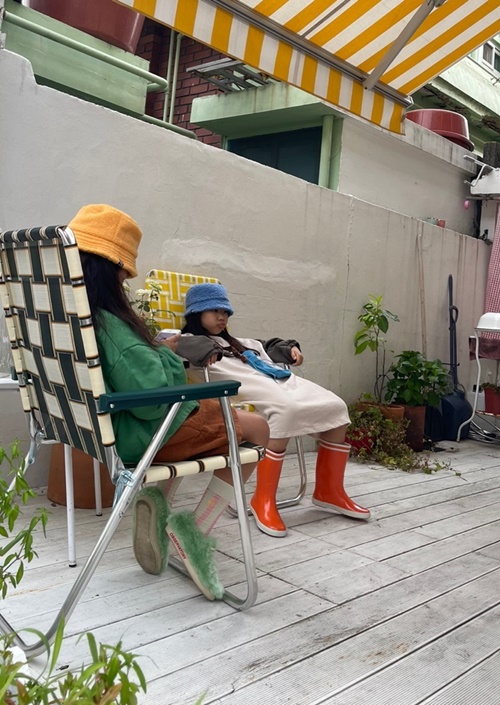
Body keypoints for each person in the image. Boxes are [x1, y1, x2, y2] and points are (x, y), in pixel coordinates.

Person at [68, 205, 269, 600]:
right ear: (110, 271)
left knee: (209, 423)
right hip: (141, 431)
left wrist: (155, 352)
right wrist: (167, 354)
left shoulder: (65, 316)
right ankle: (195, 531)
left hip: (99, 428)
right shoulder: (110, 323)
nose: (125, 283)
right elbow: (152, 401)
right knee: (257, 427)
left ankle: (157, 502)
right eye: (124, 275)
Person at [178, 283, 371, 538]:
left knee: (336, 407)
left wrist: (289, 349)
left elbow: (268, 345)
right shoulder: (188, 342)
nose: (222, 317)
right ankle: (263, 500)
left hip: (281, 382)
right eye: (214, 311)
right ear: (195, 312)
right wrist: (208, 350)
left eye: (225, 312)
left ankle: (329, 491)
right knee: (285, 410)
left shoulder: (239, 343)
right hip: (246, 389)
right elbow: (175, 345)